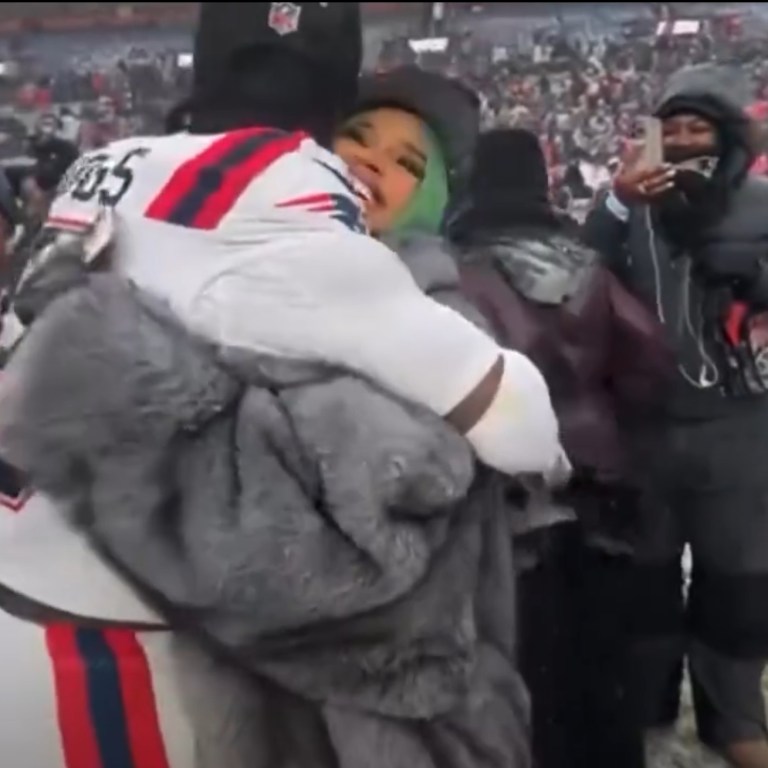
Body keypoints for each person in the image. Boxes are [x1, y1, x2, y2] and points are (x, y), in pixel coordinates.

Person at [44, 2, 563, 484]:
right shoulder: (300, 195)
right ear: (335, 114)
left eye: (409, 164)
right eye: (359, 138)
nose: (373, 163)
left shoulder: (99, 166)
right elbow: (516, 425)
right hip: (123, 563)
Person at [448, 128, 672, 768]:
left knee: (523, 658)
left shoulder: (455, 269)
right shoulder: (586, 265)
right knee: (601, 653)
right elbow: (651, 360)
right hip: (600, 483)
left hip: (503, 489)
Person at [584, 63, 768, 768]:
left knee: (740, 583)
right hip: (647, 429)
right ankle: (648, 704)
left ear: (727, 136)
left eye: (701, 127)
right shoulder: (632, 205)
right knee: (646, 582)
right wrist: (619, 205)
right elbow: (580, 278)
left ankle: (735, 717)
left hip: (742, 429)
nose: (688, 141)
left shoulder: (760, 204)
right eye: (676, 128)